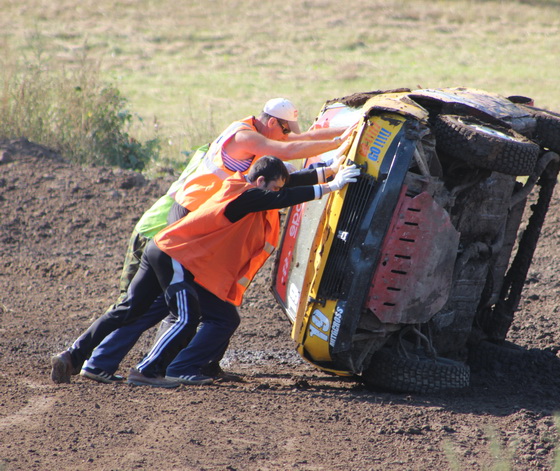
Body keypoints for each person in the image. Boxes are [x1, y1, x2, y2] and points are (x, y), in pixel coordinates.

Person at [77, 98, 353, 385]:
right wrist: (333, 175)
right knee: (174, 310)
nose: (287, 136)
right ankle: (156, 368)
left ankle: (153, 363)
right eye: (284, 130)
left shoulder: (252, 173)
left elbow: (289, 170)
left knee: (196, 311)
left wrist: (336, 156)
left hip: (187, 229)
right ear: (272, 122)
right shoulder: (246, 154)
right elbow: (286, 167)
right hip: (183, 231)